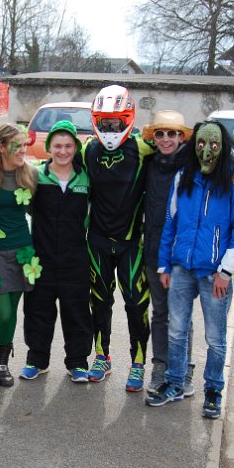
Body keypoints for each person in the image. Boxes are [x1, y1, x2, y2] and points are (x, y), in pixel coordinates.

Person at [147, 121, 234, 419]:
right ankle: (175, 382)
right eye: (201, 144)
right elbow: (170, 222)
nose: (206, 150)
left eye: (213, 144)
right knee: (177, 330)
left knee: (215, 338)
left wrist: (225, 272)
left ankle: (213, 391)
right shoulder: (184, 177)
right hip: (181, 268)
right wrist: (165, 264)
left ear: (223, 146)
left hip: (214, 274)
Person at [83, 85, 155, 390]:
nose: (110, 130)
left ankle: (138, 363)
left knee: (137, 304)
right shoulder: (88, 149)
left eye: (116, 124)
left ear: (128, 119)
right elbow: (51, 165)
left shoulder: (144, 148)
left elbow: (181, 160)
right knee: (99, 302)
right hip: (97, 241)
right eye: (105, 123)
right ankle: (102, 357)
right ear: (95, 121)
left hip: (131, 243)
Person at [17, 120, 92, 383]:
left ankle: (78, 363)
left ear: (75, 148)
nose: (63, 151)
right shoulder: (35, 175)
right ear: (49, 147)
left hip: (75, 259)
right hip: (41, 258)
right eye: (57, 146)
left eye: (68, 146)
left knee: (77, 312)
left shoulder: (86, 178)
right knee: (37, 311)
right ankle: (36, 360)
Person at [0, 124, 39, 387]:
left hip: (23, 251)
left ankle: (2, 363)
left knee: (12, 312)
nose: (22, 150)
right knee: (1, 313)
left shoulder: (31, 174)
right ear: (1, 147)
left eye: (24, 145)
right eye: (16, 146)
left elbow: (39, 212)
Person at [140, 111, 195, 395]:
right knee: (160, 313)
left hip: (182, 254)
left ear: (181, 137)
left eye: (171, 134)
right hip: (153, 251)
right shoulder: (148, 164)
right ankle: (160, 366)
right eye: (160, 134)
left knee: (182, 314)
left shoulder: (193, 166)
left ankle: (184, 368)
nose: (165, 139)